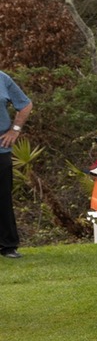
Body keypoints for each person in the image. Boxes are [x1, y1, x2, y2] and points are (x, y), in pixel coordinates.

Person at [0, 69, 32, 259]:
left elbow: (25, 105)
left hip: (1, 150)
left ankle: (8, 246)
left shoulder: (2, 78)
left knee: (3, 198)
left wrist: (15, 130)